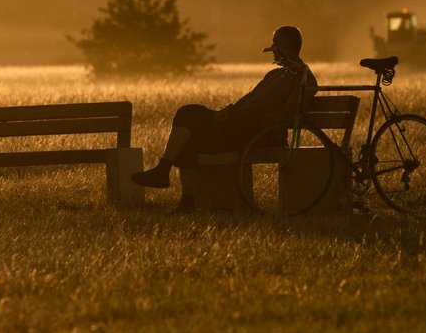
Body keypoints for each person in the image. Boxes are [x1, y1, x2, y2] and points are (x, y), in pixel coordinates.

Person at [130, 25, 318, 211]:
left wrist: (252, 116)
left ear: (283, 45)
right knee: (189, 112)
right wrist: (230, 110)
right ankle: (166, 174)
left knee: (191, 135)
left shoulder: (303, 78)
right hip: (238, 123)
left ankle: (180, 193)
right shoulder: (275, 74)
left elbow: (288, 115)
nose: (272, 49)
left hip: (258, 132)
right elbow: (250, 98)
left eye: (275, 43)